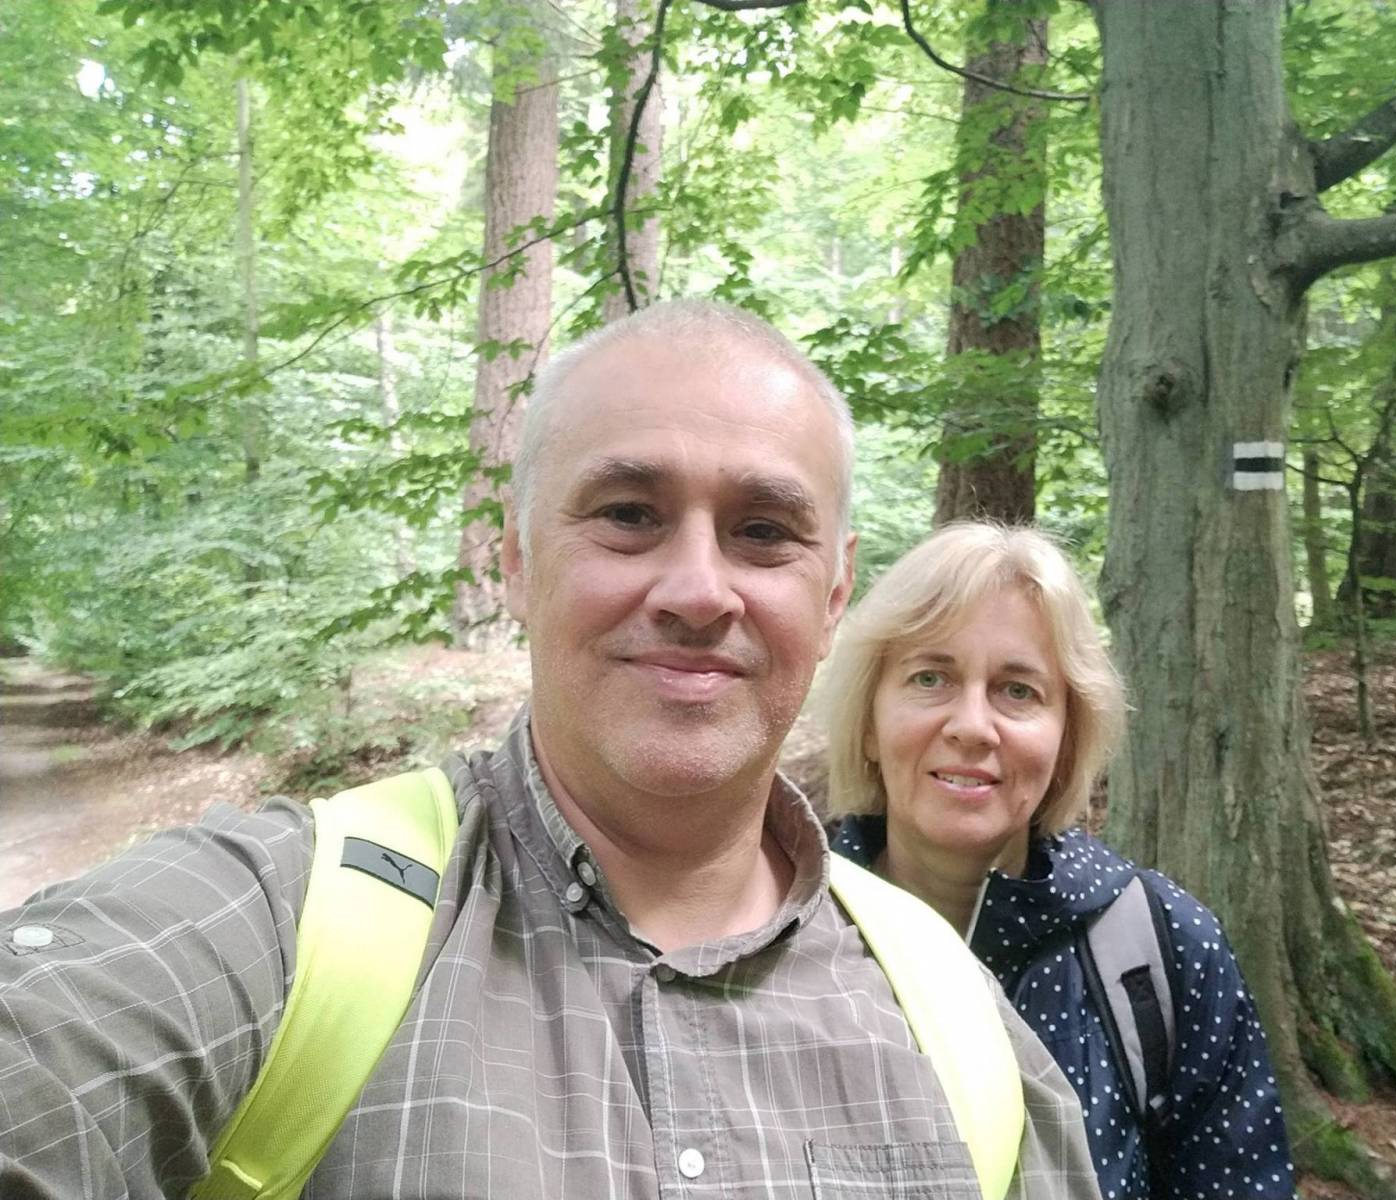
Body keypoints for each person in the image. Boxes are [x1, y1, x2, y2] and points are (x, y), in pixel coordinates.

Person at [0, 302, 1103, 1199]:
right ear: (518, 560)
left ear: (834, 592)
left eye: (763, 532)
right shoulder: (285, 925)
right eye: (627, 513)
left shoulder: (958, 1023)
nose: (697, 591)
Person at [821, 522, 1297, 1200]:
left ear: (1067, 736)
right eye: (930, 678)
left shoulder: (1161, 948)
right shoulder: (785, 930)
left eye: (1018, 690)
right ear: (869, 720)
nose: (972, 726)